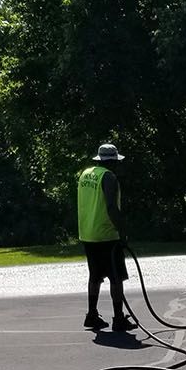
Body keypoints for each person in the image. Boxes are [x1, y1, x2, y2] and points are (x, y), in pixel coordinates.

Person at [77, 142, 135, 333]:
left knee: (94, 276)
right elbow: (111, 207)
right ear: (113, 162)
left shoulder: (86, 174)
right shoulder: (108, 177)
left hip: (88, 233)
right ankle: (118, 318)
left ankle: (91, 314)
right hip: (106, 234)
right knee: (115, 277)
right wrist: (122, 231)